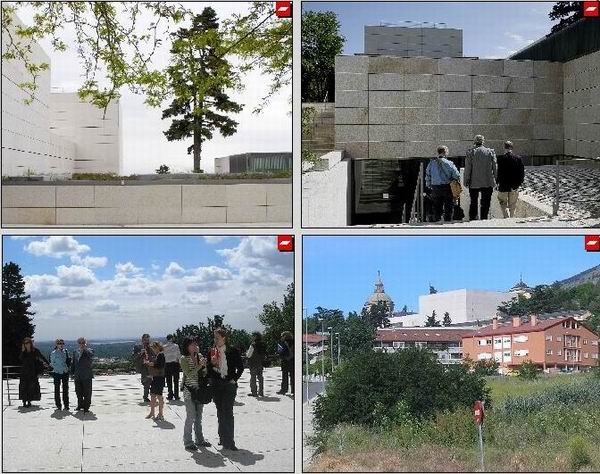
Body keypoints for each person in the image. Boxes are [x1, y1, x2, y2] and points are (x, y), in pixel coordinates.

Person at [208, 328, 244, 451]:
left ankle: (230, 441)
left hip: (229, 384)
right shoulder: (212, 351)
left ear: (224, 338)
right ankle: (222, 438)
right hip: (217, 385)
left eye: (217, 337)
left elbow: (240, 367)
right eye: (214, 337)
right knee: (220, 412)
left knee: (228, 412)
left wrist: (234, 379)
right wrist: (212, 364)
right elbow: (208, 371)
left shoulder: (233, 351)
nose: (215, 339)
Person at [180, 336, 211, 451]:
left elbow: (204, 372)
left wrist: (205, 365)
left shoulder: (200, 357)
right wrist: (199, 366)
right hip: (189, 391)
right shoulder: (183, 358)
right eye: (192, 344)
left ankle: (200, 439)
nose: (194, 346)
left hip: (200, 390)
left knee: (199, 417)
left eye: (195, 344)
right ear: (187, 346)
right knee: (191, 416)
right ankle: (188, 441)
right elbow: (189, 374)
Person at [464, 135, 497, 221]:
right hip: (487, 181)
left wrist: (466, 180)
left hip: (474, 182)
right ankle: (484, 219)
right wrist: (496, 179)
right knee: (485, 203)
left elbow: (468, 168)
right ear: (483, 142)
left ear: (474, 142)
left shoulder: (470, 152)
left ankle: (473, 219)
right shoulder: (490, 152)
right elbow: (495, 167)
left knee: (473, 201)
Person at [425, 146, 461, 222]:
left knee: (437, 205)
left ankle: (437, 220)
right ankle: (447, 221)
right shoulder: (449, 163)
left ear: (438, 152)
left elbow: (428, 176)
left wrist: (429, 185)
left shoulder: (431, 163)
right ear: (445, 153)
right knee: (448, 205)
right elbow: (457, 175)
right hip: (447, 187)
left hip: (435, 187)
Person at [496, 140, 525, 218]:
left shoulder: (500, 158)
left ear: (504, 148)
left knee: (502, 203)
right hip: (514, 186)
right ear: (512, 148)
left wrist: (496, 182)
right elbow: (521, 173)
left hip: (503, 186)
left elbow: (498, 173)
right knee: (513, 204)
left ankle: (506, 217)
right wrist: (519, 184)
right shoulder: (518, 158)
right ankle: (511, 218)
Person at [18, 337, 49, 408]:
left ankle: (29, 401)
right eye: (25, 343)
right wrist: (22, 351)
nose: (27, 344)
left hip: (32, 371)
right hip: (24, 371)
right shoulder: (24, 352)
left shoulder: (35, 350)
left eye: (28, 343)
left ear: (30, 343)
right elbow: (20, 359)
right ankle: (24, 402)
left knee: (31, 387)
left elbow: (42, 357)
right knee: (23, 386)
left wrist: (48, 363)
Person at [71, 337, 93, 413]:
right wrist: (72, 373)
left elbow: (90, 355)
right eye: (80, 343)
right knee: (78, 392)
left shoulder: (89, 351)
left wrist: (85, 349)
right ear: (78, 344)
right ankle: (80, 405)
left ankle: (86, 407)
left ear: (85, 343)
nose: (81, 344)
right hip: (77, 375)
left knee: (87, 392)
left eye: (83, 342)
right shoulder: (75, 352)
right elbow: (73, 363)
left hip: (87, 375)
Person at [144, 341, 166, 420]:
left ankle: (160, 413)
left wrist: (151, 364)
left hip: (159, 378)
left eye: (153, 348)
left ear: (157, 347)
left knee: (159, 396)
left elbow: (160, 366)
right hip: (157, 377)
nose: (153, 349)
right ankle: (153, 412)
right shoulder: (158, 355)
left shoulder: (161, 354)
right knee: (153, 395)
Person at [50, 338, 70, 410]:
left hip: (65, 372)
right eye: (59, 343)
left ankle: (66, 404)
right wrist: (58, 368)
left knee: (65, 389)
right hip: (57, 373)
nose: (61, 345)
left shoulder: (66, 352)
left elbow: (67, 361)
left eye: (62, 343)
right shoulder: (53, 353)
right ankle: (58, 404)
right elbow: (52, 363)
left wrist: (66, 368)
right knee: (57, 389)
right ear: (56, 344)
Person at [132, 333, 154, 402]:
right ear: (142, 339)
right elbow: (134, 357)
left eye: (148, 339)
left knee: (153, 382)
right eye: (145, 340)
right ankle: (145, 397)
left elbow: (155, 355)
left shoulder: (151, 346)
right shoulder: (138, 347)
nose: (146, 341)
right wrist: (140, 353)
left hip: (152, 366)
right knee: (146, 383)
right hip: (144, 367)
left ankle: (153, 396)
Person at [246, 332, 266, 397]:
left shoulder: (253, 345)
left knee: (253, 378)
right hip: (260, 363)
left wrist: (246, 353)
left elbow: (249, 355)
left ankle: (254, 392)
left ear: (255, 337)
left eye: (252, 336)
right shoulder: (263, 344)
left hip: (253, 364)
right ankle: (261, 392)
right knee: (260, 378)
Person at [163, 334, 182, 401]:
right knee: (176, 381)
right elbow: (179, 355)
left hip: (167, 365)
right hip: (175, 364)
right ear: (171, 338)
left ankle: (170, 394)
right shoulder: (176, 346)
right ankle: (176, 395)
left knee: (169, 381)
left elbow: (164, 356)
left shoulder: (164, 347)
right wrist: (181, 364)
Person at [277, 331, 294, 396]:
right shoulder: (293, 342)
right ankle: (293, 390)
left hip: (285, 361)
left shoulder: (283, 343)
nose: (281, 337)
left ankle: (284, 390)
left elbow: (280, 352)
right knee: (292, 376)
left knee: (285, 376)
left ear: (285, 336)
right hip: (292, 361)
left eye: (282, 336)